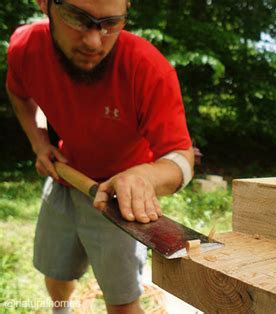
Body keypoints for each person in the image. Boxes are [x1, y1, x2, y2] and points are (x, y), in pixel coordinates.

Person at [6, 0, 194, 313]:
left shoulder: (147, 67)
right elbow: (18, 92)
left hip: (119, 203)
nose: (94, 41)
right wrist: (39, 142)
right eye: (76, 17)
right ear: (45, 4)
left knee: (122, 303)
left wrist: (142, 178)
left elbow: (182, 158)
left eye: (111, 22)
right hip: (64, 179)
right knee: (55, 273)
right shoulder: (25, 47)